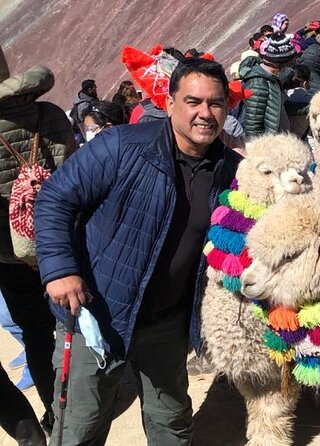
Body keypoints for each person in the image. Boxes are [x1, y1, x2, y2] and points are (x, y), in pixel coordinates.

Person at [34, 58, 241, 445]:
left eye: (215, 104)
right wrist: (60, 268)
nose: (205, 114)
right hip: (98, 313)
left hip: (168, 323)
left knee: (171, 422)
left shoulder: (232, 172)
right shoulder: (121, 148)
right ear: (169, 103)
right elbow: (54, 199)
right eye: (193, 101)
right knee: (80, 425)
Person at [0, 61, 75, 443]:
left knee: (34, 330)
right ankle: (63, 416)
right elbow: (74, 174)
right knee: (57, 332)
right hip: (55, 243)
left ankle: (36, 430)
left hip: (7, 256)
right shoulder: (48, 115)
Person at [241, 32, 297, 138]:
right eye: (290, 64)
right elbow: (253, 128)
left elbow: (281, 107)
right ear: (281, 63)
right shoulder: (257, 84)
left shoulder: (271, 78)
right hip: (271, 147)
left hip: (282, 142)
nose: (291, 69)